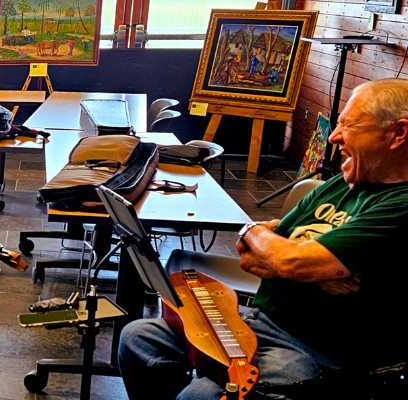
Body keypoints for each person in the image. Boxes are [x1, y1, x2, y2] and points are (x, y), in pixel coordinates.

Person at [117, 79, 408, 399]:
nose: (335, 136)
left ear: (398, 133)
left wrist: (291, 258)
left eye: (349, 125)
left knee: (201, 395)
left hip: (323, 352)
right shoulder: (340, 184)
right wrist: (270, 242)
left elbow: (286, 259)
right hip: (261, 320)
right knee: (139, 338)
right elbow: (253, 255)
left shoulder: (400, 205)